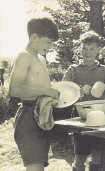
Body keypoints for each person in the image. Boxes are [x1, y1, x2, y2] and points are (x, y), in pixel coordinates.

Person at [62, 31, 105, 171]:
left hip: (100, 120)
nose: (87, 52)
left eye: (92, 48)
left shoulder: (104, 70)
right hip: (80, 119)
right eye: (84, 48)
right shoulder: (73, 70)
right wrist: (79, 90)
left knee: (98, 156)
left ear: (98, 50)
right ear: (80, 49)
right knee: (80, 156)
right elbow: (63, 92)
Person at [9, 17, 60, 171]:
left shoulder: (41, 59)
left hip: (41, 117)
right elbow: (14, 89)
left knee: (40, 167)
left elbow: (40, 87)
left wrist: (52, 94)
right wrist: (46, 91)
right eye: (48, 42)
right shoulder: (23, 56)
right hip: (28, 118)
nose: (51, 47)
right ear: (34, 38)